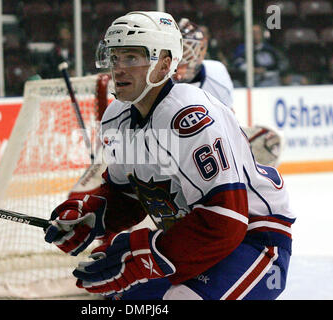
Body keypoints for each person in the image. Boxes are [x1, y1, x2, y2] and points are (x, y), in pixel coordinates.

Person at [44, 11, 295, 300]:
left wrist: (145, 256)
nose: (119, 68)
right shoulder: (117, 118)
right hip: (194, 235)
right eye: (115, 58)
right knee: (121, 299)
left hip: (253, 235)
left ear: (164, 64)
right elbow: (128, 196)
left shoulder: (189, 116)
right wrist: (92, 215)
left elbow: (226, 219)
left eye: (132, 58)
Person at [175, 18, 283, 168]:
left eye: (185, 48)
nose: (180, 56)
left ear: (202, 50)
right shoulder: (157, 77)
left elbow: (228, 122)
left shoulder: (216, 73)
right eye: (175, 48)